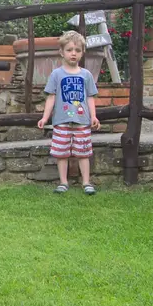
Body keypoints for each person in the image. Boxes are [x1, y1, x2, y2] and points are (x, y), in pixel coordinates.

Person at [37, 29, 100, 195]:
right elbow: (51, 97)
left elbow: (90, 98)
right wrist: (45, 118)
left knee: (83, 153)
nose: (74, 53)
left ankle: (86, 182)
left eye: (78, 50)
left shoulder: (86, 75)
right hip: (61, 121)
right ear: (62, 52)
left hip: (82, 121)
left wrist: (93, 116)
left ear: (82, 52)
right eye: (70, 50)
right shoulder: (56, 74)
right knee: (61, 153)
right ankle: (63, 182)